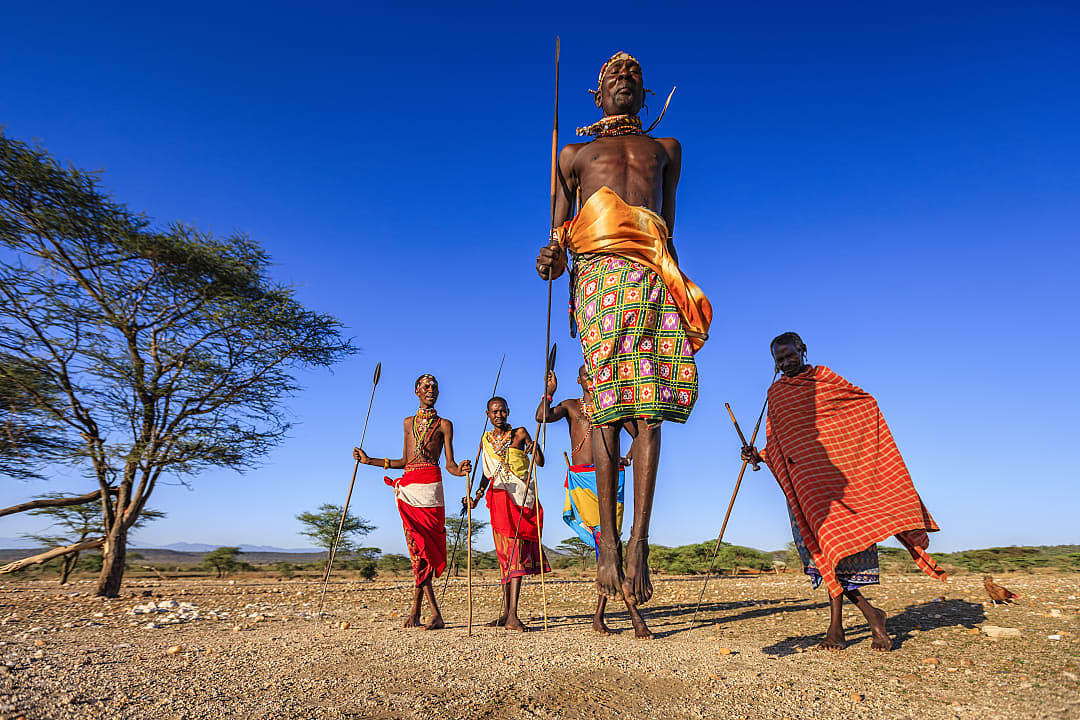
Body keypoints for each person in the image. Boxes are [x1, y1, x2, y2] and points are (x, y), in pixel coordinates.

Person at [535, 51, 713, 638]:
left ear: (643, 94)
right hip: (602, 278)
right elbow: (559, 235)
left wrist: (678, 286)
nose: (624, 84)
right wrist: (550, 259)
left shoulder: (668, 151)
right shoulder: (572, 155)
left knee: (652, 415)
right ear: (597, 94)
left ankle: (639, 541)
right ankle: (606, 544)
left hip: (654, 279)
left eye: (633, 79)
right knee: (608, 410)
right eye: (614, 78)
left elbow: (671, 227)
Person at [741, 332, 947, 651]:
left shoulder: (824, 379)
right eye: (778, 360)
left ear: (803, 351)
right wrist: (758, 455)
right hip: (806, 487)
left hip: (842, 488)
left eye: (790, 356)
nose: (785, 363)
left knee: (839, 551)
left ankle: (846, 625)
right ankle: (861, 618)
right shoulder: (776, 393)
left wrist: (847, 452)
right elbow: (779, 443)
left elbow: (864, 405)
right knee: (824, 553)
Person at [354, 374, 470, 630]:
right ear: (416, 391)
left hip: (431, 490)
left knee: (426, 549)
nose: (431, 390)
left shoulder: (444, 425)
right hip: (409, 487)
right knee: (417, 550)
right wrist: (369, 460)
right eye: (426, 387)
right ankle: (425, 611)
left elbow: (449, 464)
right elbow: (403, 461)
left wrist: (460, 470)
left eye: (435, 387)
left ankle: (423, 611)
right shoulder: (408, 423)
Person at [536, 364, 632, 634]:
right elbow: (541, 416)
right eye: (586, 375)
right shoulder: (570, 406)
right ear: (579, 380)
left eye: (596, 374)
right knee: (605, 546)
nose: (592, 379)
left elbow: (639, 434)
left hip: (611, 477)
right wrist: (549, 392)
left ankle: (603, 613)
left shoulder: (612, 405)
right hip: (582, 479)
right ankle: (612, 612)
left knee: (609, 545)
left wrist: (630, 456)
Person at [465, 396, 548, 631]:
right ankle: (506, 614)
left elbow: (539, 463)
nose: (499, 415)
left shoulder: (520, 433)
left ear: (508, 412)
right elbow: (486, 473)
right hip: (498, 497)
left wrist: (535, 448)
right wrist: (477, 496)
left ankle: (513, 614)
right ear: (487, 415)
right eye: (494, 412)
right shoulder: (485, 440)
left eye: (502, 411)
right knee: (504, 556)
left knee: (516, 554)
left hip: (520, 498)